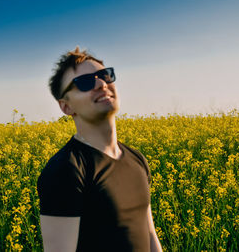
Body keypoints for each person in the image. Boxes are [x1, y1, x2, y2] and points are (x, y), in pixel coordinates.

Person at [37, 46, 163, 252]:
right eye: (85, 82)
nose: (101, 84)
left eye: (105, 75)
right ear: (66, 107)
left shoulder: (136, 159)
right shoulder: (65, 170)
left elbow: (149, 234)